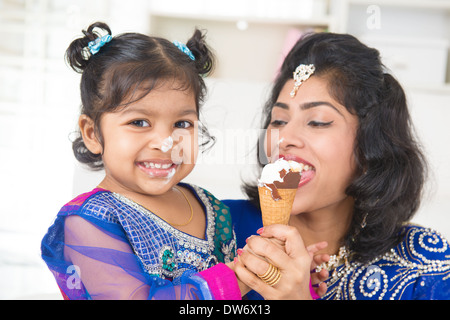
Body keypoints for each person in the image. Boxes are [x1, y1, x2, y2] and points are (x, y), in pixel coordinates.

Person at [227, 32, 450, 300]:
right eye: (278, 121)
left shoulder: (422, 264)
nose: (284, 139)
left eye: (318, 121)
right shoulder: (215, 225)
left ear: (371, 145)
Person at [40, 22, 242, 300]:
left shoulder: (209, 204)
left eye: (182, 123)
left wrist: (283, 275)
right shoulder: (90, 220)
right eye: (139, 122)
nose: (164, 142)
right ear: (92, 133)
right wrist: (237, 279)